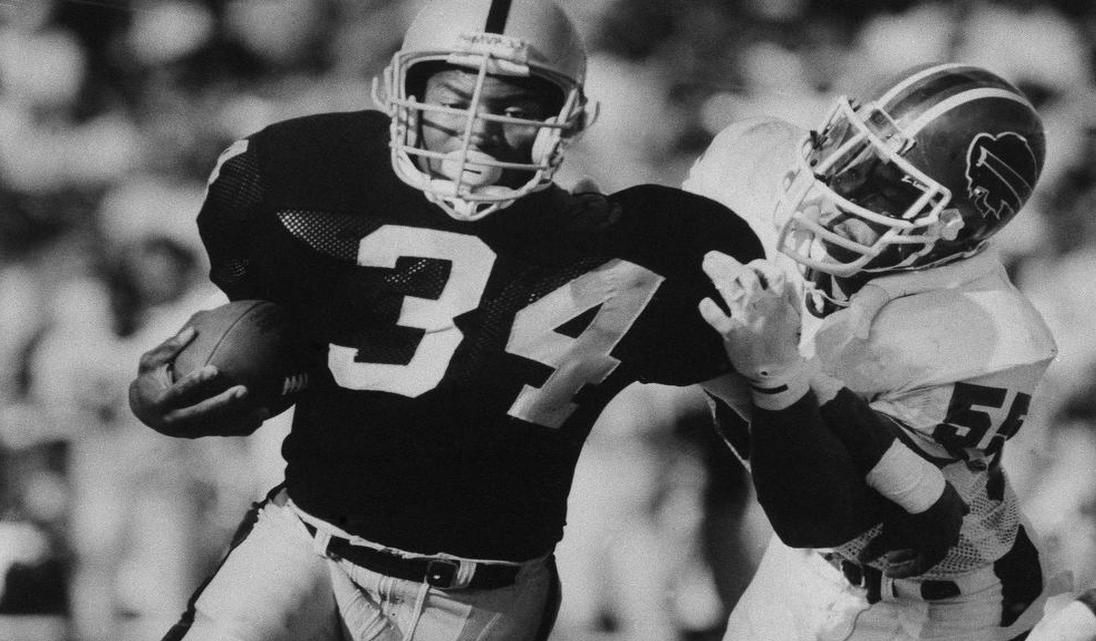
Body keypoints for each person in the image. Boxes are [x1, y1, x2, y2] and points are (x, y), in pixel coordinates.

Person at [126, 2, 970, 639]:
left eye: (513, 108)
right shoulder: (301, 181)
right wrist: (223, 370)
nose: (477, 133)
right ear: (404, 88)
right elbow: (286, 335)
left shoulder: (654, 247)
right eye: (455, 99)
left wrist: (777, 377)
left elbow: (813, 507)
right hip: (307, 542)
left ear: (568, 117)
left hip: (480, 595)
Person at [686, 61, 1096, 641]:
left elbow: (878, 519)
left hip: (939, 596)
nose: (831, 189)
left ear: (949, 224)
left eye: (881, 184)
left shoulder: (987, 335)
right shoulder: (757, 167)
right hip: (806, 564)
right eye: (848, 149)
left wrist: (772, 369)